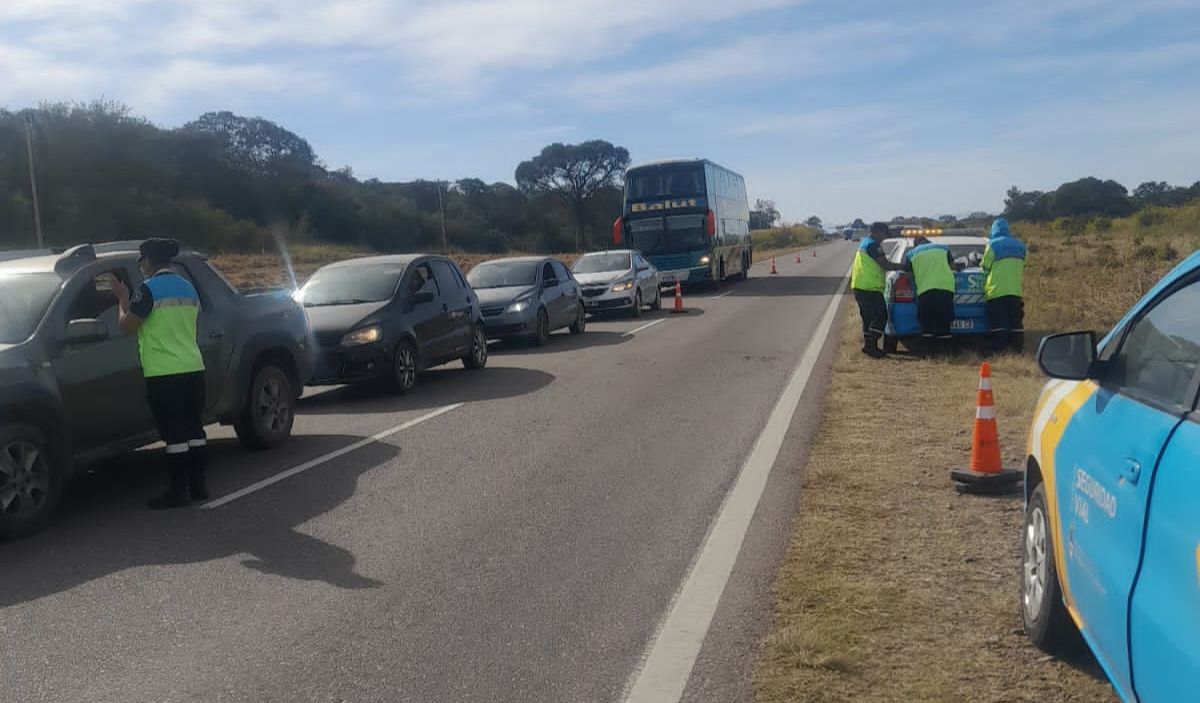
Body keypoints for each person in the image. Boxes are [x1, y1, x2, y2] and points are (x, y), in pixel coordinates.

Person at [107, 239, 208, 509]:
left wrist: (122, 300)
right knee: (194, 429)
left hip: (165, 372)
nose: (141, 266)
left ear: (149, 261)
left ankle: (178, 492)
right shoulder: (188, 288)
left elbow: (128, 326)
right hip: (193, 367)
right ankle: (199, 486)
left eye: (142, 261)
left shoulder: (148, 289)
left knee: (174, 434)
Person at [850, 221, 904, 357]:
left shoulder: (864, 243)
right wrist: (903, 267)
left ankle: (870, 347)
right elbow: (885, 265)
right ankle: (870, 346)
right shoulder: (873, 246)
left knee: (868, 318)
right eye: (884, 235)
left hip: (861, 286)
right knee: (880, 316)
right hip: (870, 287)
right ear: (877, 232)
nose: (884, 238)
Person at [981, 217, 1027, 353]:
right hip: (1015, 292)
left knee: (998, 324)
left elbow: (985, 267)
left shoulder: (993, 245)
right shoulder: (1020, 245)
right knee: (1016, 324)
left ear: (994, 230)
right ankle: (1017, 350)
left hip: (996, 291)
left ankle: (999, 351)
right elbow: (1024, 263)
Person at [904, 235, 957, 353]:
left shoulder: (911, 254)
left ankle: (929, 353)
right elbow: (953, 266)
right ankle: (945, 353)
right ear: (928, 241)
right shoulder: (943, 248)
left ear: (916, 244)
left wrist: (914, 287)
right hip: (946, 288)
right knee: (944, 322)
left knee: (926, 322)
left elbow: (908, 275)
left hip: (925, 291)